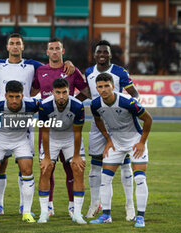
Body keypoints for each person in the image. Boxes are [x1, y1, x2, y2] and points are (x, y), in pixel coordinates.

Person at [0, 33, 75, 216]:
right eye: (12, 43)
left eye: (18, 43)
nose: (15, 46)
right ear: (7, 47)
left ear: (23, 47)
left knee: (24, 164)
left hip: (24, 114)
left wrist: (69, 63)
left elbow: (52, 67)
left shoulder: (33, 65)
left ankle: (22, 206)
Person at [32, 38, 90, 217]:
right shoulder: (40, 70)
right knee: (47, 168)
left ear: (63, 51)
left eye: (58, 48)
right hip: (48, 126)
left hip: (69, 128)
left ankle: (73, 207)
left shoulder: (71, 70)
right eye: (51, 49)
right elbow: (33, 91)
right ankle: (48, 207)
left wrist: (71, 105)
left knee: (72, 168)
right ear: (47, 52)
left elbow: (86, 90)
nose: (55, 51)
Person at [85, 40, 140, 220]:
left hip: (118, 125)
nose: (102, 54)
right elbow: (86, 95)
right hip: (98, 122)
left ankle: (129, 205)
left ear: (109, 54)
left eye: (105, 52)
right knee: (95, 164)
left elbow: (134, 94)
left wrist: (130, 109)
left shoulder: (119, 72)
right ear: (94, 55)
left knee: (125, 164)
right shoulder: (89, 72)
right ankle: (95, 203)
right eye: (99, 52)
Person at [89, 73, 152, 228]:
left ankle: (140, 217)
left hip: (135, 141)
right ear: (96, 88)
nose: (103, 90)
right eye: (100, 87)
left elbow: (148, 119)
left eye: (106, 86)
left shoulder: (127, 101)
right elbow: (97, 120)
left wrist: (142, 142)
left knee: (140, 179)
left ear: (113, 86)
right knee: (105, 180)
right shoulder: (95, 104)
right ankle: (106, 215)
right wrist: (108, 139)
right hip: (116, 143)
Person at [0, 80, 40, 223]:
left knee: (27, 171)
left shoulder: (31, 105)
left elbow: (49, 106)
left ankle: (26, 212)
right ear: (5, 95)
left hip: (20, 141)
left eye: (17, 97)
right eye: (11, 96)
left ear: (22, 96)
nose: (14, 100)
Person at [37, 78, 86, 224]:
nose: (61, 96)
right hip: (51, 138)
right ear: (52, 92)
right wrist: (46, 157)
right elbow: (44, 132)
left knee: (78, 168)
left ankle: (77, 213)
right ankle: (44, 212)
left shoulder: (78, 106)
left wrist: (76, 156)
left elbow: (78, 133)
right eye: (58, 93)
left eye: (64, 92)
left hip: (70, 137)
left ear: (69, 92)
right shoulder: (44, 106)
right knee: (45, 169)